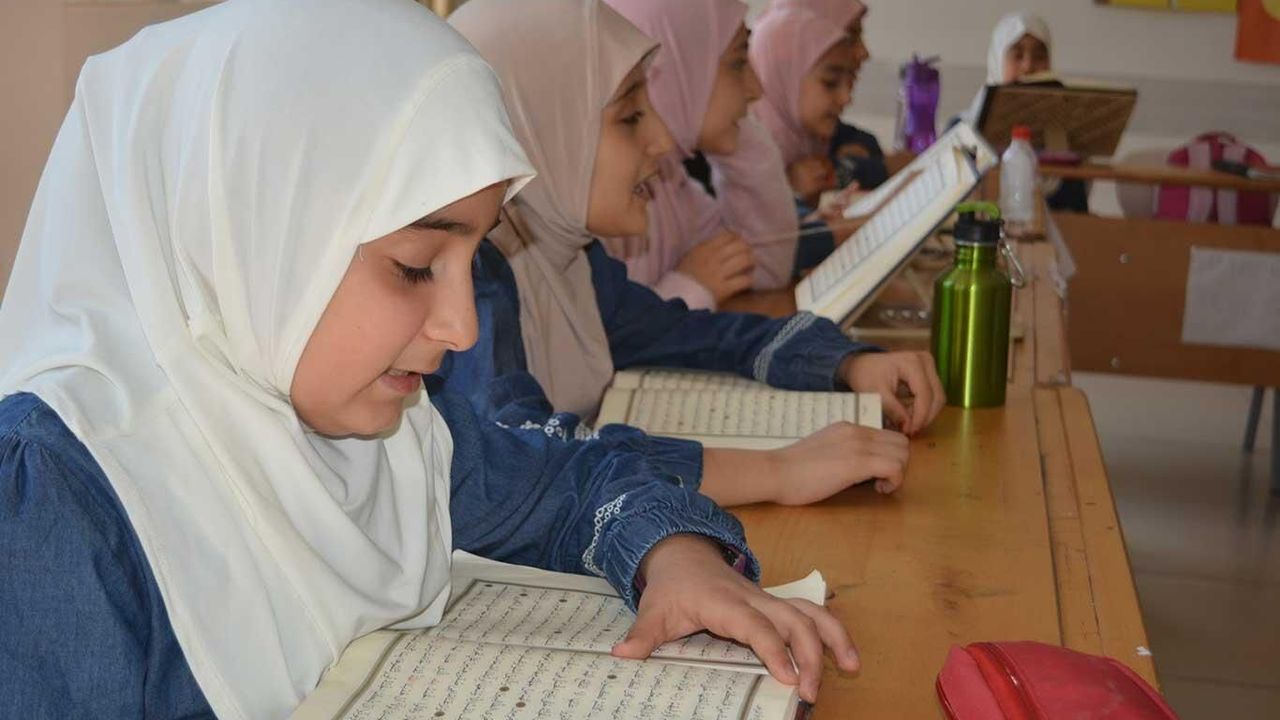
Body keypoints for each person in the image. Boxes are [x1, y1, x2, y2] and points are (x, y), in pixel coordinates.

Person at [0, 1, 859, 715]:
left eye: (471, 259)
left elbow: (578, 482)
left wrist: (673, 556)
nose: (461, 328)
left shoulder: (396, 436)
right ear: (257, 236)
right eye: (415, 266)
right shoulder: (56, 502)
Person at [439, 0, 944, 508]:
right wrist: (779, 471)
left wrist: (845, 363)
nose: (662, 139)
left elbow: (696, 337)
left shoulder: (571, 259)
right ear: (540, 127)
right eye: (631, 116)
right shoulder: (471, 282)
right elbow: (525, 461)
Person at [959, 11, 1088, 213]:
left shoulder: (1062, 136)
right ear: (997, 61)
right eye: (1017, 55)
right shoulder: (964, 130)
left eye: (1039, 56)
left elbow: (1076, 214)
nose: (1028, 67)